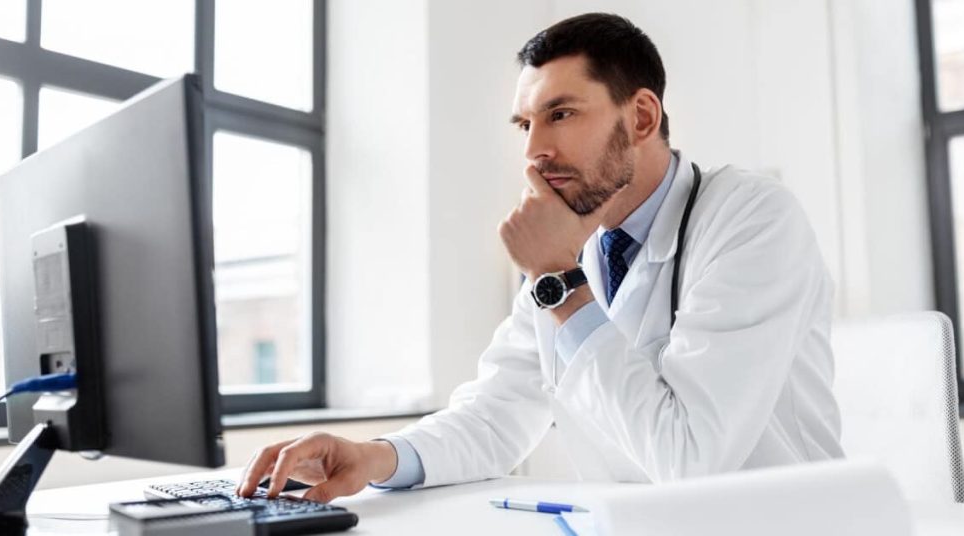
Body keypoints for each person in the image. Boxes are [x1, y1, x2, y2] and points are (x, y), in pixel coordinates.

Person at [236, 12, 843, 504]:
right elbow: (497, 415)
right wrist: (377, 457)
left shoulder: (752, 217)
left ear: (640, 116)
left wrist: (559, 280)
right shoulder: (575, 247)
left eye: (561, 114)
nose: (534, 152)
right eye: (524, 124)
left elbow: (691, 457)